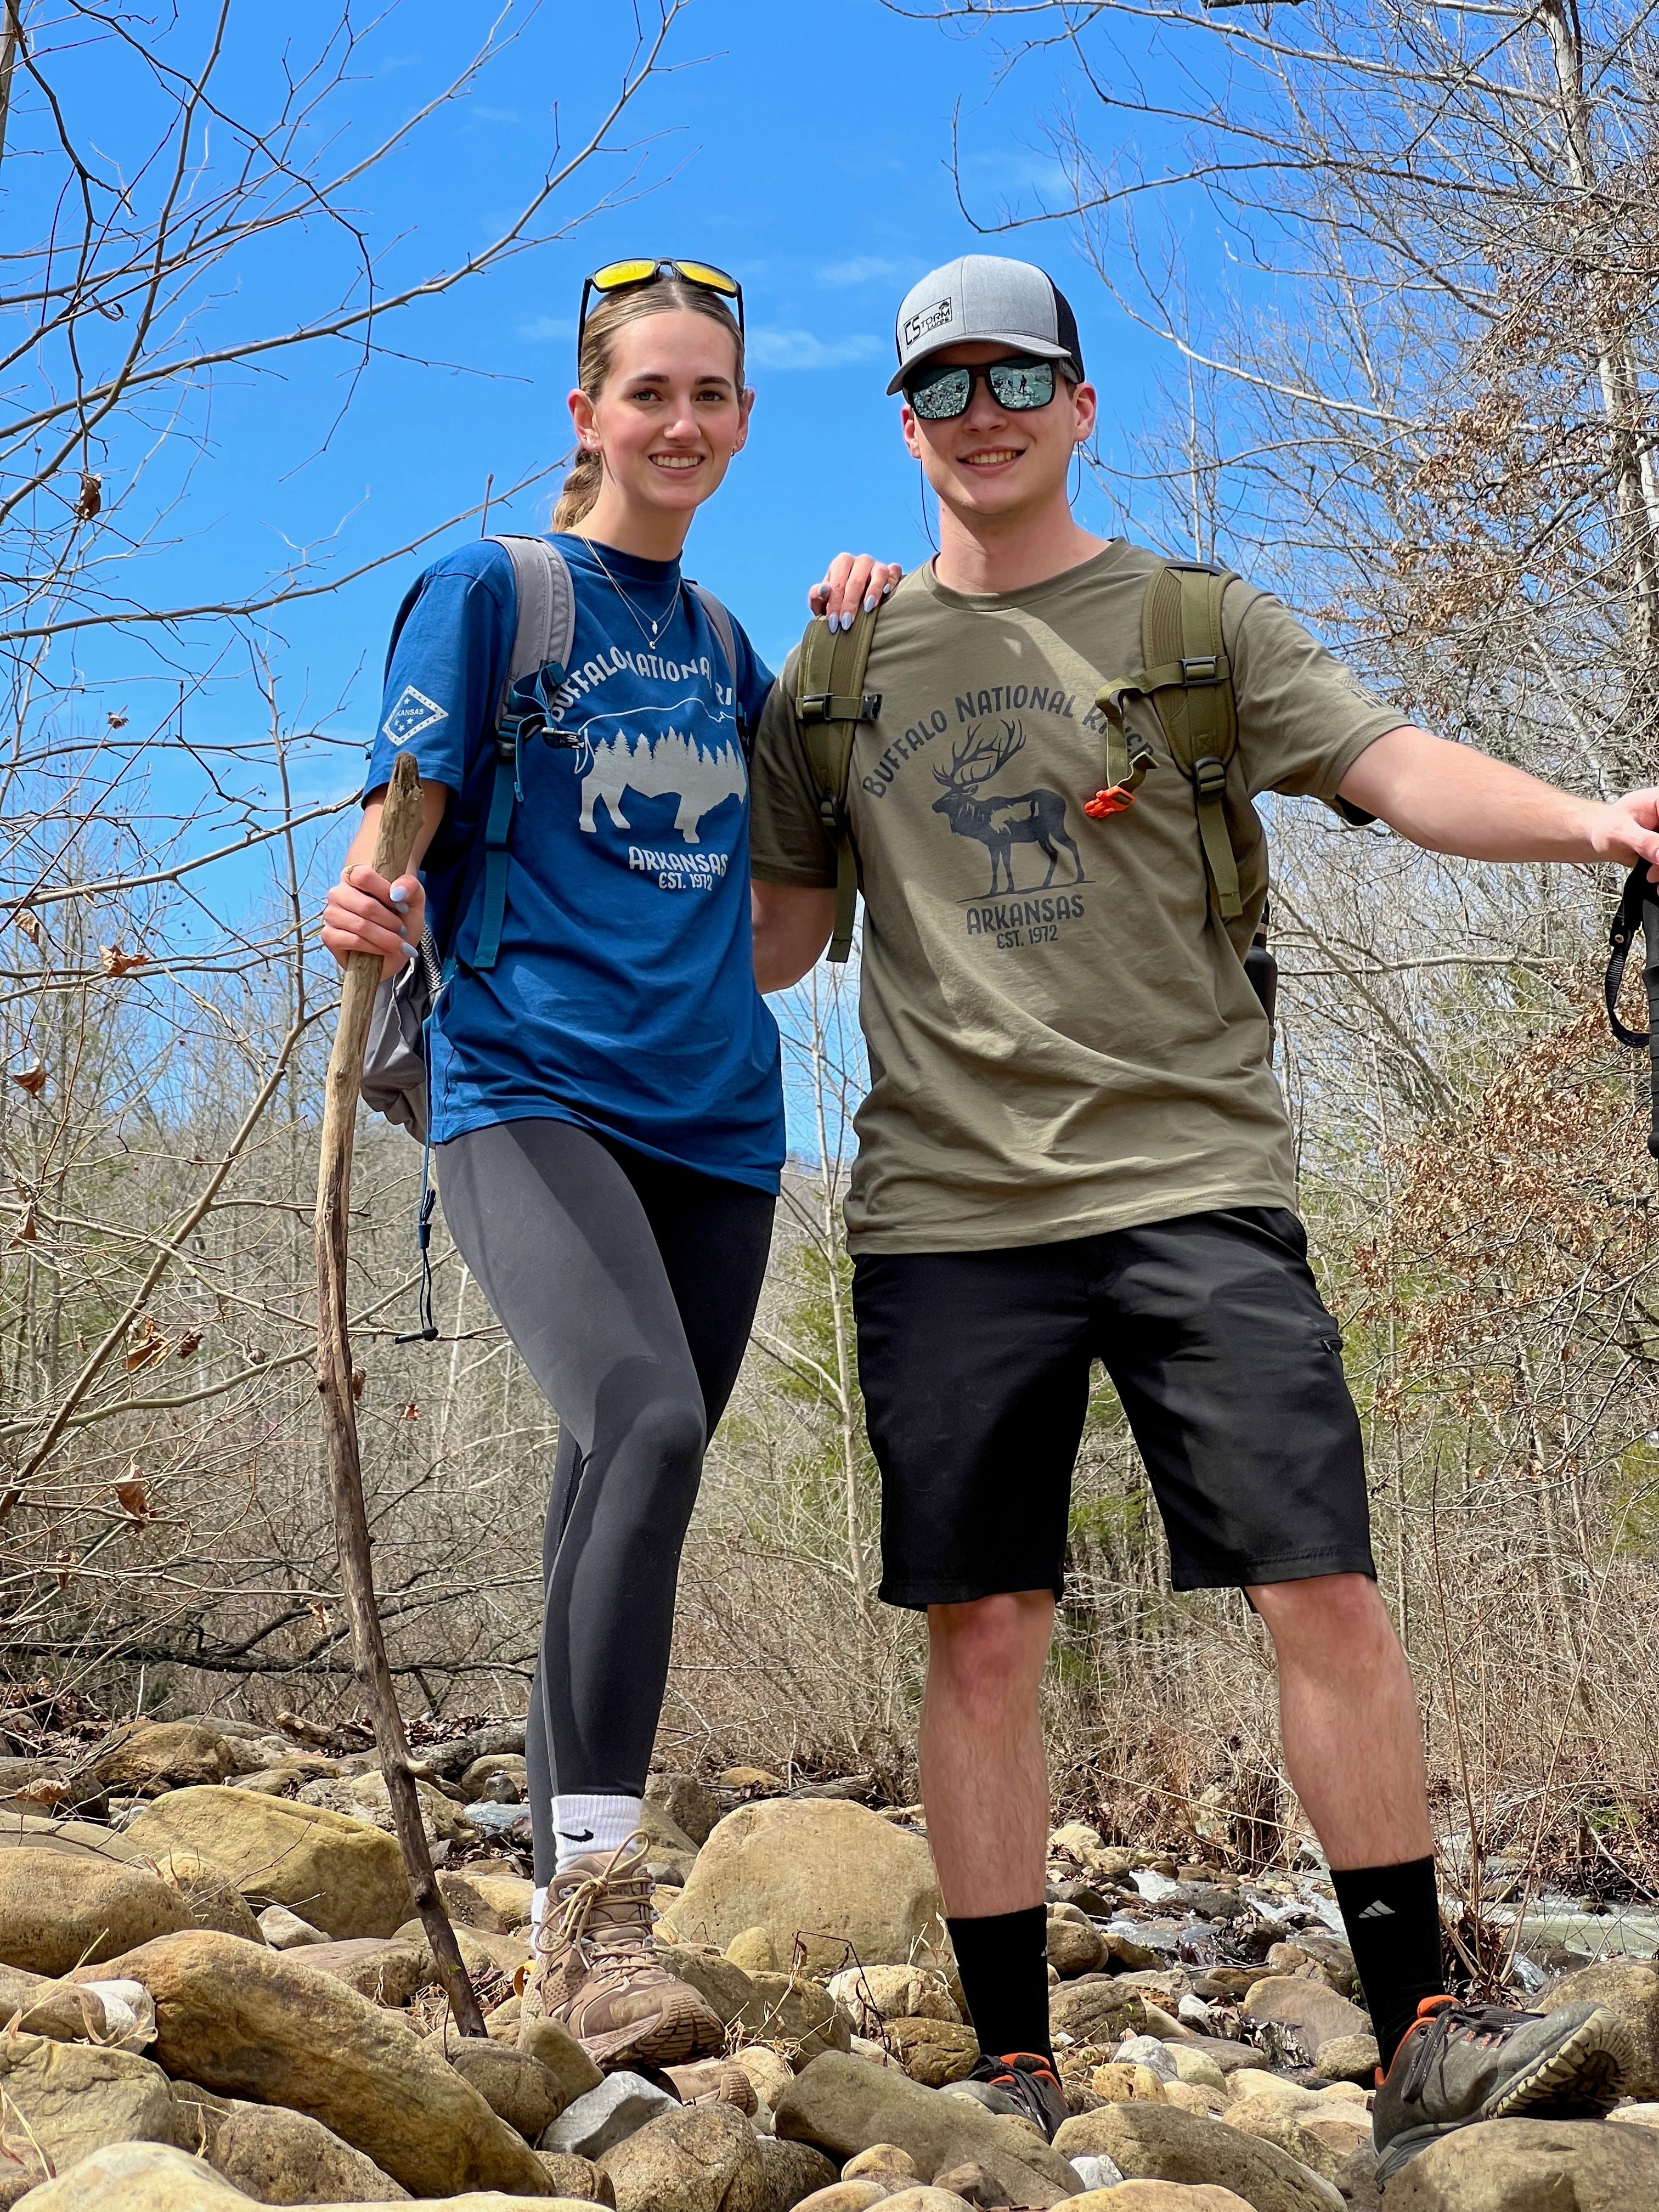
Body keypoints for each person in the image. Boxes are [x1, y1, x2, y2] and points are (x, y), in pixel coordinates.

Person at [750, 252, 1651, 2174]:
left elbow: (1392, 767)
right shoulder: (835, 670)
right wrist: (532, 899)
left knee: (1320, 1584)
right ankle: (1013, 2062)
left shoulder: (1194, 624)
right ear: (904, 428)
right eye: (942, 389)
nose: (981, 416)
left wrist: (1596, 822)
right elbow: (770, 940)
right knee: (983, 1631)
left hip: (1198, 1186)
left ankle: (1419, 2026)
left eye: (1016, 379)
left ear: (1081, 406)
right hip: (946, 1213)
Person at [321, 257, 899, 2070]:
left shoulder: (726, 650)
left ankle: (558, 1932)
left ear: (744, 420)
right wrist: (365, 892)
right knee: (643, 1424)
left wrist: (850, 673)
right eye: (651, 391)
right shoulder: (496, 593)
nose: (682, 421)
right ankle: (604, 1906)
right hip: (524, 1086)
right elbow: (404, 808)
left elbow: (781, 944)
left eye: (712, 394)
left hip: (720, 1122)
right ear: (589, 413)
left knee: (617, 1476)